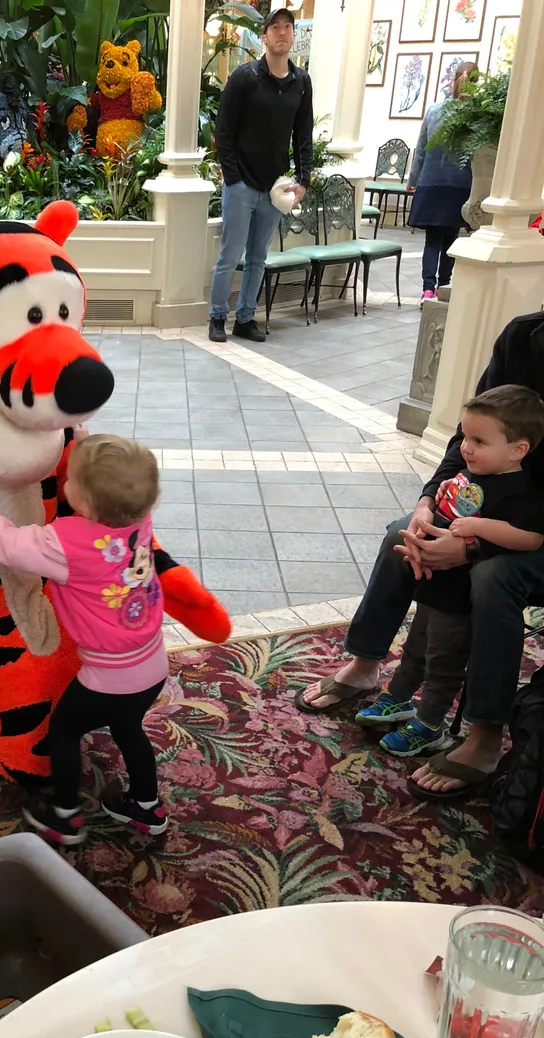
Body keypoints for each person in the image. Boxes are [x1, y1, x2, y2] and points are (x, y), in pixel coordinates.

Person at [0, 435, 222, 844]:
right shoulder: (138, 522)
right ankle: (146, 807)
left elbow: (10, 543)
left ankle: (65, 814)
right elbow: (113, 491)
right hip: (153, 664)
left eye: (70, 478)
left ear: (84, 504)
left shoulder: (67, 543)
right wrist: (89, 451)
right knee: (129, 730)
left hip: (109, 678)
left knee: (65, 732)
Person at [296, 312, 544, 800]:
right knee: (399, 539)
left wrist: (474, 544)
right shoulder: (524, 335)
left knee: (492, 579)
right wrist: (427, 502)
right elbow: (465, 438)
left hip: (529, 530)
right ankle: (366, 665)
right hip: (489, 513)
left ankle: (484, 734)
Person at [353, 386, 544, 757]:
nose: (466, 448)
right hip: (439, 584)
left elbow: (532, 538)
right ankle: (398, 698)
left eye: (478, 441)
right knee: (417, 645)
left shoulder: (521, 491)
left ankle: (430, 725)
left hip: (461, 596)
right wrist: (435, 500)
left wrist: (477, 532)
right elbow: (453, 496)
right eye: (465, 437)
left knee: (445, 660)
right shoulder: (475, 473)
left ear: (518, 449)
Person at [208, 7, 312, 345]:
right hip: (241, 186)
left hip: (274, 188)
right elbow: (223, 131)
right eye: (275, 27)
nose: (282, 32)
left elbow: (303, 135)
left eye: (288, 27)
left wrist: (303, 180)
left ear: (294, 36)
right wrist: (233, 178)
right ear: (263, 37)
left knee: (258, 258)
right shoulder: (245, 77)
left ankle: (245, 318)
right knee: (230, 255)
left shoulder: (301, 82)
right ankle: (217, 317)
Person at [407, 62, 476, 304]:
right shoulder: (477, 117)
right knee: (451, 238)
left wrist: (412, 180)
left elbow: (422, 151)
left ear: (452, 81)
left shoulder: (434, 111)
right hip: (461, 186)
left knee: (432, 240)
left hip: (432, 183)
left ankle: (427, 289)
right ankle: (445, 284)